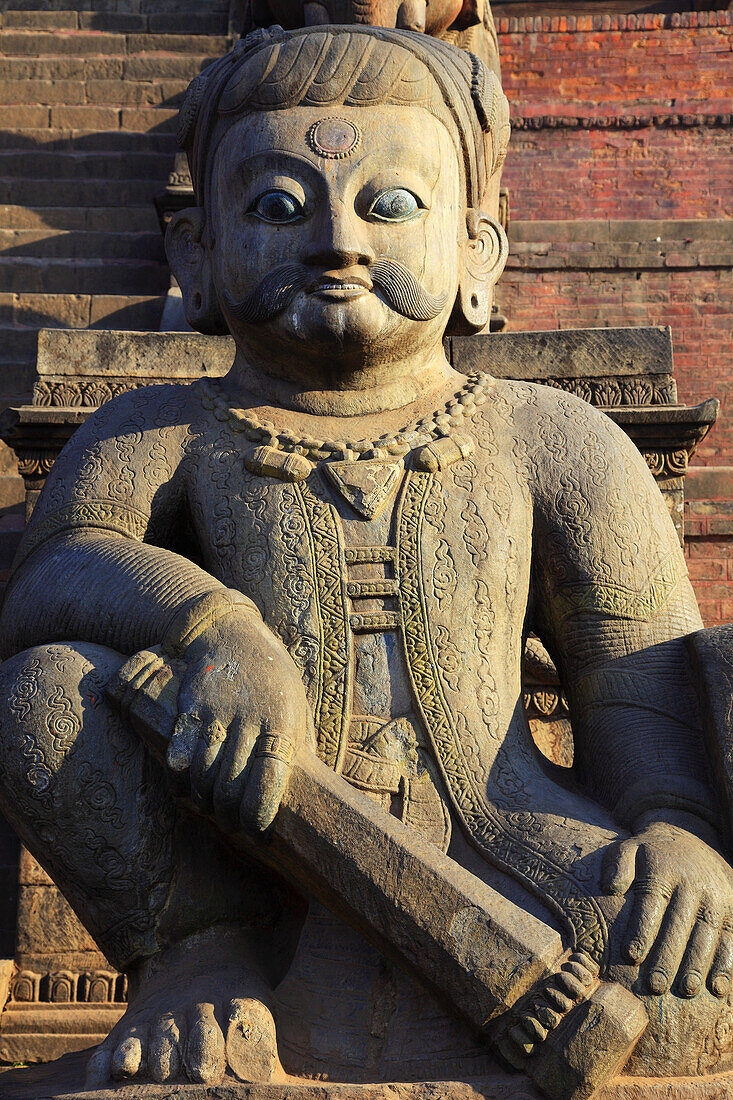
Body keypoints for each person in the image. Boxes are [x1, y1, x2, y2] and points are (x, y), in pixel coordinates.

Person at [1, 26, 732, 1088]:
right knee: (39, 691)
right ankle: (196, 960)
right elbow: (58, 567)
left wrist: (677, 831)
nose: (337, 242)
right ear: (195, 255)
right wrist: (213, 627)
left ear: (477, 250)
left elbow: (637, 678)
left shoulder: (556, 436)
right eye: (277, 208)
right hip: (260, 870)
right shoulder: (157, 429)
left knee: (686, 986)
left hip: (512, 859)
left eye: (388, 205)